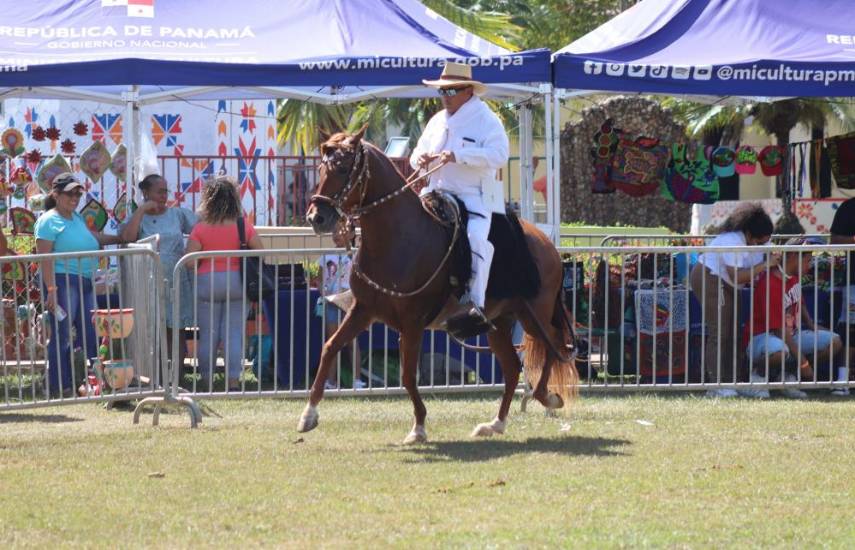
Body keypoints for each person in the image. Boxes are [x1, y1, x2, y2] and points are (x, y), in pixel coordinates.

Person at [410, 61, 510, 329]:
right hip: (434, 193)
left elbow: (499, 155)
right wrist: (419, 158)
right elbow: (414, 156)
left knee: (476, 238)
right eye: (442, 92)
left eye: (451, 91)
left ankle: (475, 304)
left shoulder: (488, 121)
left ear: (468, 91)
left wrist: (459, 156)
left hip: (472, 197)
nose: (445, 97)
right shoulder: (435, 122)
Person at [35, 173, 124, 398]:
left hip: (84, 282)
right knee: (62, 334)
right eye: (69, 193)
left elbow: (93, 238)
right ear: (55, 195)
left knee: (91, 333)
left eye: (77, 193)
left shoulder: (77, 218)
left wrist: (119, 238)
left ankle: (95, 384)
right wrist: (52, 291)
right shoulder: (47, 220)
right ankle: (58, 386)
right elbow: (44, 258)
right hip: (62, 282)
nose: (75, 197)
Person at [185, 176, 263, 391]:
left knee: (208, 333)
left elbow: (189, 262)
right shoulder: (242, 225)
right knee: (234, 333)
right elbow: (261, 252)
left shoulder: (200, 228)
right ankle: (233, 380)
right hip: (238, 282)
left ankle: (207, 379)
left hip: (206, 283)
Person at [744, 237, 848, 398]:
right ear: (793, 257)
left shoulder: (793, 276)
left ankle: (788, 376)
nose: (809, 265)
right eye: (807, 261)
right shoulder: (770, 283)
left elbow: (801, 303)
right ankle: (756, 377)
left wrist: (812, 325)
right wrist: (804, 363)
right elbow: (780, 331)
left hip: (791, 334)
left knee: (834, 342)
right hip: (762, 337)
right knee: (780, 350)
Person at [689, 203, 773, 397]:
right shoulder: (731, 241)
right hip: (711, 278)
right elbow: (737, 276)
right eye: (760, 243)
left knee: (735, 332)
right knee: (720, 332)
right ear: (750, 234)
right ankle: (716, 384)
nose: (762, 247)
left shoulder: (756, 241)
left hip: (728, 283)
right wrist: (765, 264)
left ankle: (732, 381)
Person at [120, 174, 197, 372]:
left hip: (175, 278)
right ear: (146, 193)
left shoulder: (178, 215)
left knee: (176, 327)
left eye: (166, 191)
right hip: (148, 280)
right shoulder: (138, 218)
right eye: (159, 191)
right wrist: (142, 210)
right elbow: (127, 237)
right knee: (153, 327)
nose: (164, 196)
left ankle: (177, 375)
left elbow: (201, 229)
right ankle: (154, 374)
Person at [315, 222, 363, 389]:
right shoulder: (326, 255)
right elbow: (319, 279)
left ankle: (357, 380)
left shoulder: (355, 256)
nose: (336, 234)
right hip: (331, 301)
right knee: (333, 341)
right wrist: (324, 292)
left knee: (352, 340)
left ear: (350, 235)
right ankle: (331, 380)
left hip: (349, 302)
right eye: (333, 231)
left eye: (341, 231)